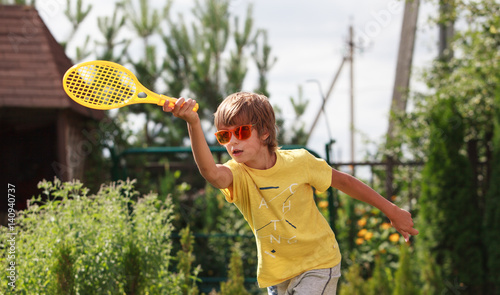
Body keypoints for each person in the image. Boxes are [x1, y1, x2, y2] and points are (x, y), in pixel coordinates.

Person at [162, 92, 418, 294]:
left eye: (241, 132)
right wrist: (193, 124)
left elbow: (345, 182)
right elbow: (210, 173)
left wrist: (391, 210)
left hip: (318, 263)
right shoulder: (237, 175)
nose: (233, 142)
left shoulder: (301, 162)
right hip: (279, 273)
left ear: (264, 132)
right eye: (223, 136)